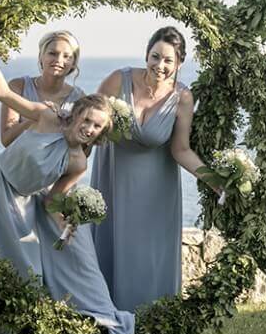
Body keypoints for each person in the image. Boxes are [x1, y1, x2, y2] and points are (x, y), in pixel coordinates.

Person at [0, 61, 135, 334]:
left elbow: (52, 201)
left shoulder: (78, 162)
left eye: (97, 126)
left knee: (21, 271)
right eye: (87, 120)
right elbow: (2, 94)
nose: (89, 129)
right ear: (76, 114)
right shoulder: (45, 116)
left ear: (103, 131)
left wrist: (69, 224)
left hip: (24, 205)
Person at [91, 26, 215, 312]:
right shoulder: (116, 81)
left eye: (168, 60)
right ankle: (105, 322)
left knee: (149, 258)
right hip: (113, 183)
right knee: (108, 252)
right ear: (146, 55)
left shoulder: (183, 97)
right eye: (155, 56)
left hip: (156, 192)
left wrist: (217, 182)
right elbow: (87, 124)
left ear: (179, 63)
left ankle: (151, 323)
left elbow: (181, 149)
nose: (160, 65)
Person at [0, 30, 85, 146]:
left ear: (74, 63)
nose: (59, 60)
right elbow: (7, 140)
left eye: (67, 56)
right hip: (20, 163)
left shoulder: (79, 99)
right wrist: (39, 116)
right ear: (41, 56)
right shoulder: (18, 87)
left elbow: (84, 150)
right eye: (52, 53)